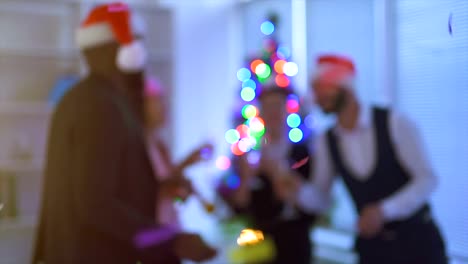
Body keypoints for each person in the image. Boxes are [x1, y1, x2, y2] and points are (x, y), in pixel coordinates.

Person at [32, 3, 216, 264]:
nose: (141, 51)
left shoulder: (83, 99)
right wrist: (173, 240)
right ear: (118, 50)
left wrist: (160, 186)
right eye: (137, 40)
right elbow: (95, 203)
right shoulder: (100, 105)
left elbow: (98, 185)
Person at [295, 54, 447, 264]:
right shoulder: (326, 140)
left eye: (322, 88)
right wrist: (296, 190)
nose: (317, 97)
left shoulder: (395, 123)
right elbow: (322, 198)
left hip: (418, 245)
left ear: (344, 87)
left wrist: (384, 211)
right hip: (373, 251)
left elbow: (427, 179)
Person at [220, 85, 316, 264]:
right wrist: (247, 176)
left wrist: (275, 173)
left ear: (286, 110)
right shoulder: (249, 155)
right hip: (260, 243)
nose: (273, 112)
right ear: (261, 112)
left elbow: (311, 203)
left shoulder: (302, 154)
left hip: (295, 241)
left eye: (277, 106)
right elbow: (239, 206)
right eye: (268, 106)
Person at [143, 76, 213, 227]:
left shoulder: (159, 145)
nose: (165, 106)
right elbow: (150, 190)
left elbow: (173, 197)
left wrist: (182, 190)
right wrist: (185, 164)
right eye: (158, 100)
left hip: (167, 229)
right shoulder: (139, 145)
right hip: (150, 231)